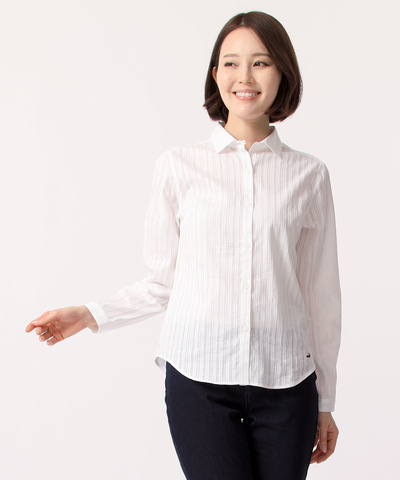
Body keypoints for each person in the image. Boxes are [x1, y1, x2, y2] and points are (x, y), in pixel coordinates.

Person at [26, 11, 341, 480]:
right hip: (198, 380)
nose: (245, 77)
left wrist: (325, 400)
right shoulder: (178, 167)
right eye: (231, 63)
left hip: (287, 382)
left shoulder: (310, 175)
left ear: (282, 74)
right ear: (215, 74)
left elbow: (321, 295)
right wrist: (90, 313)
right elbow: (163, 282)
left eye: (261, 63)